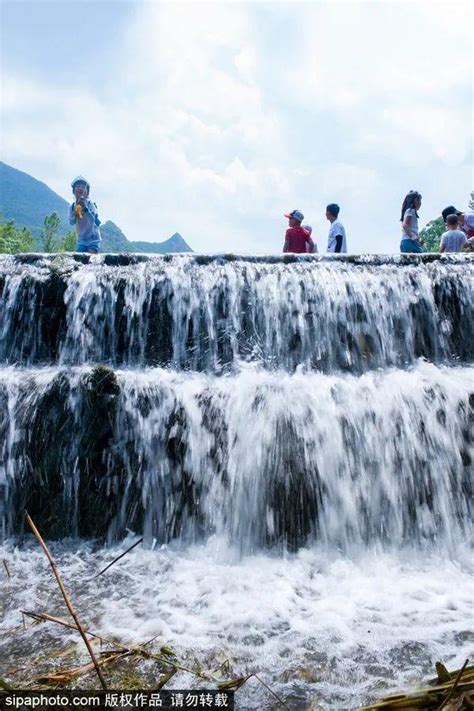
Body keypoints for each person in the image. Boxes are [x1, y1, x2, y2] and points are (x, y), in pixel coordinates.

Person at [69, 176, 101, 253]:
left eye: (83, 187)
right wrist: (75, 214)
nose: (81, 188)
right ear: (74, 191)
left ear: (87, 192)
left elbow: (92, 220)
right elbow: (71, 222)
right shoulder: (72, 206)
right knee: (80, 261)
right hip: (81, 240)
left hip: (93, 238)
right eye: (78, 186)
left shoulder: (90, 204)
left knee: (92, 260)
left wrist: (85, 208)